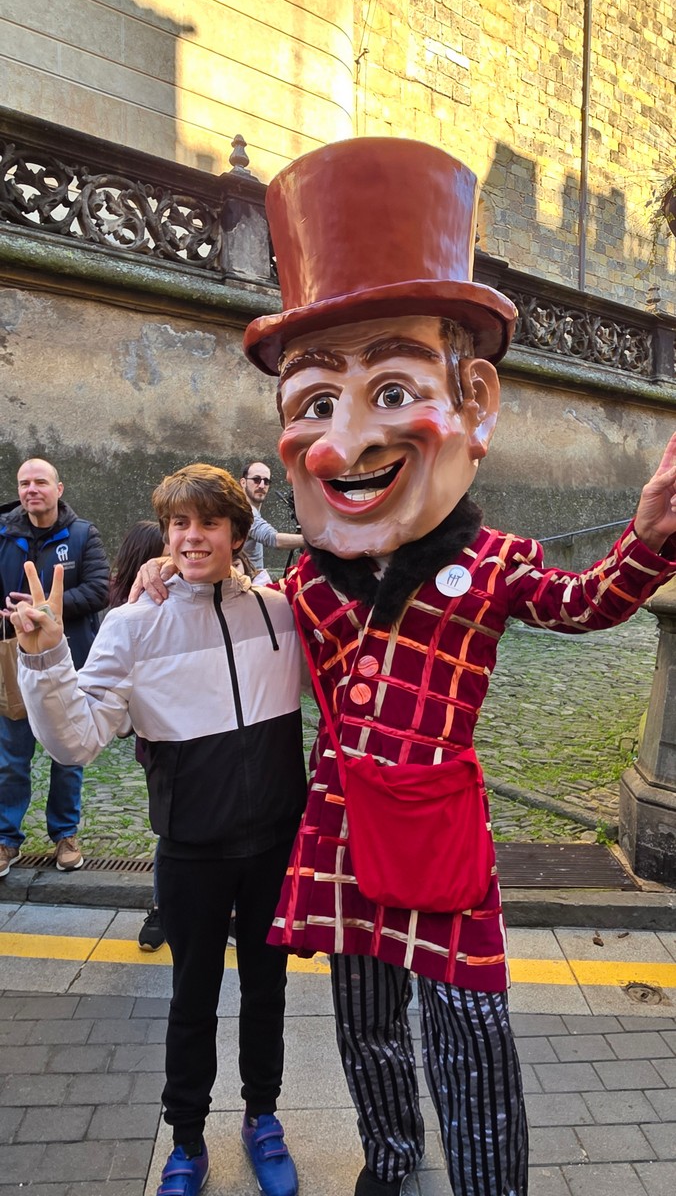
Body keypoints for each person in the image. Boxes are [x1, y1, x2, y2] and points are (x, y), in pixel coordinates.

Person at [133, 141, 676, 1196]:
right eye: (314, 404)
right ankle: (388, 1162)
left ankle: (486, 1185)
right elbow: (236, 614)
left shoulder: (495, 561)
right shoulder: (303, 584)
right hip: (343, 826)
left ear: (475, 401)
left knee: (471, 1034)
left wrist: (649, 538)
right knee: (366, 1026)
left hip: (439, 833)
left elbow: (584, 605)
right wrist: (177, 572)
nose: (344, 445)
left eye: (391, 389)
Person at [14, 464, 306, 1196]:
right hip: (192, 850)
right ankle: (186, 1140)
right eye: (179, 524)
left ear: (238, 534)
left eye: (208, 523)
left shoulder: (279, 613)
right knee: (191, 999)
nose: (191, 537)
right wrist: (45, 656)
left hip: (275, 843)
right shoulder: (133, 624)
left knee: (267, 991)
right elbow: (76, 739)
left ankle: (263, 1117)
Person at [0, 457, 109, 876]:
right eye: (24, 483)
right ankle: (6, 839)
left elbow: (99, 590)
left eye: (40, 482)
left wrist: (46, 609)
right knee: (11, 757)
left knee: (68, 756)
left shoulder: (82, 534)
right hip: (14, 662)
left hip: (70, 663)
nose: (32, 489)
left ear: (58, 489)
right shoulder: (4, 535)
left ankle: (65, 834)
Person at [109, 519, 167, 951]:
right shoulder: (129, 614)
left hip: (207, 735)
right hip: (159, 741)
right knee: (172, 829)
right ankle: (163, 908)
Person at [240, 461, 304, 578]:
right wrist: (315, 541)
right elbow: (273, 539)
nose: (261, 485)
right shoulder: (245, 511)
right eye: (256, 480)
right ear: (243, 482)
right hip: (247, 582)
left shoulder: (248, 509)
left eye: (266, 481)